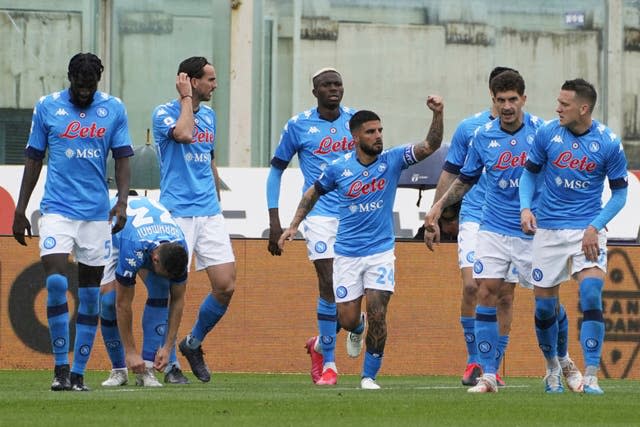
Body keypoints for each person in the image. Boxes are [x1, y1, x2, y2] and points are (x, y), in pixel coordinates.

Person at [279, 98, 444, 389]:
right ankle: (356, 326)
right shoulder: (338, 168)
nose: (378, 136)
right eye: (370, 132)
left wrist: (438, 114)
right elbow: (312, 194)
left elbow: (429, 145)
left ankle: (368, 376)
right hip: (346, 254)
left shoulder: (392, 160)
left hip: (380, 252)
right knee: (346, 318)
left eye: (380, 130)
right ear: (355, 138)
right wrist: (293, 225)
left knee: (379, 310)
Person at [12, 52, 133, 391]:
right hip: (57, 211)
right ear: (70, 79)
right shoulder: (47, 106)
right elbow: (34, 156)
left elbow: (123, 158)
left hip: (96, 214)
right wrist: (21, 208)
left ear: (98, 81)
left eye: (90, 86)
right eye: (79, 86)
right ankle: (60, 370)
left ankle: (79, 374)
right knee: (54, 284)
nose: (84, 92)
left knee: (92, 297)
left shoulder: (114, 109)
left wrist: (122, 202)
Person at [425, 70, 544, 393]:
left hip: (520, 223)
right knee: (473, 287)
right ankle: (475, 359)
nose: (506, 104)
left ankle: (492, 367)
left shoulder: (540, 131)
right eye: (501, 97)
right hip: (478, 215)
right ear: (492, 96)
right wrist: (435, 212)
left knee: (508, 293)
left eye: (512, 98)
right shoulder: (472, 130)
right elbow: (454, 174)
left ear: (522, 97)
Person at [519, 78, 628, 394]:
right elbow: (529, 174)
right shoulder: (547, 134)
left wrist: (594, 226)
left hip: (586, 231)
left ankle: (591, 375)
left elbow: (620, 194)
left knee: (592, 292)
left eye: (564, 104)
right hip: (548, 230)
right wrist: (526, 208)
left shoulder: (608, 142)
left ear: (583, 108)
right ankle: (553, 368)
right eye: (558, 102)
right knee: (543, 309)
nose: (558, 108)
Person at [266, 68, 361, 384]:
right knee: (328, 281)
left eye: (338, 83)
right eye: (326, 85)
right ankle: (330, 365)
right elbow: (276, 170)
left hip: (354, 215)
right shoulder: (298, 125)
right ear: (315, 91)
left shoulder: (357, 122)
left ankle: (323, 343)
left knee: (352, 294)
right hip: (318, 215)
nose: (334, 89)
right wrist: (275, 220)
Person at [152, 56, 235, 383]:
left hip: (208, 211)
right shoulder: (163, 113)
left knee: (226, 286)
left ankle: (193, 342)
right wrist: (186, 98)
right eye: (210, 80)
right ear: (189, 80)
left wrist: (216, 197)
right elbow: (184, 134)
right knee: (175, 290)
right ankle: (169, 362)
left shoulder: (211, 116)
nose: (215, 85)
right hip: (177, 212)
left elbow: (208, 158)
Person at [99, 193, 190, 387]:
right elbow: (123, 304)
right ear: (154, 260)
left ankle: (147, 370)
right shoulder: (134, 249)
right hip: (115, 232)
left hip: (148, 233)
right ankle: (118, 370)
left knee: (160, 290)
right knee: (108, 303)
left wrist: (167, 346)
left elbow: (178, 300)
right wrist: (131, 352)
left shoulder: (180, 247)